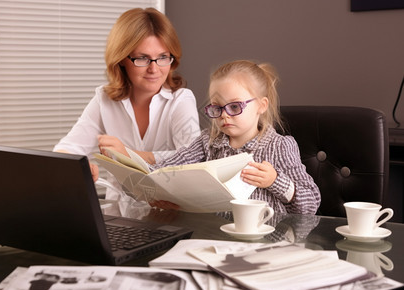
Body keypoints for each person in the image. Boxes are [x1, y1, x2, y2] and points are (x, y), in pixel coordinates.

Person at [108, 60, 321, 214]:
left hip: (268, 241)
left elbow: (311, 203)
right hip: (214, 238)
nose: (224, 115)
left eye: (235, 106)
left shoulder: (279, 146)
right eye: (217, 108)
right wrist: (156, 193)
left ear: (261, 106)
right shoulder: (207, 142)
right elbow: (168, 169)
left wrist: (276, 181)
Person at [53, 8, 200, 210]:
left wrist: (129, 155)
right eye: (143, 58)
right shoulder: (104, 99)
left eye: (163, 57)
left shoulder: (181, 100)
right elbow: (69, 148)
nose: (154, 69)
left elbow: (193, 161)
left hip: (170, 215)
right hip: (119, 216)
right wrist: (77, 167)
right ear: (122, 58)